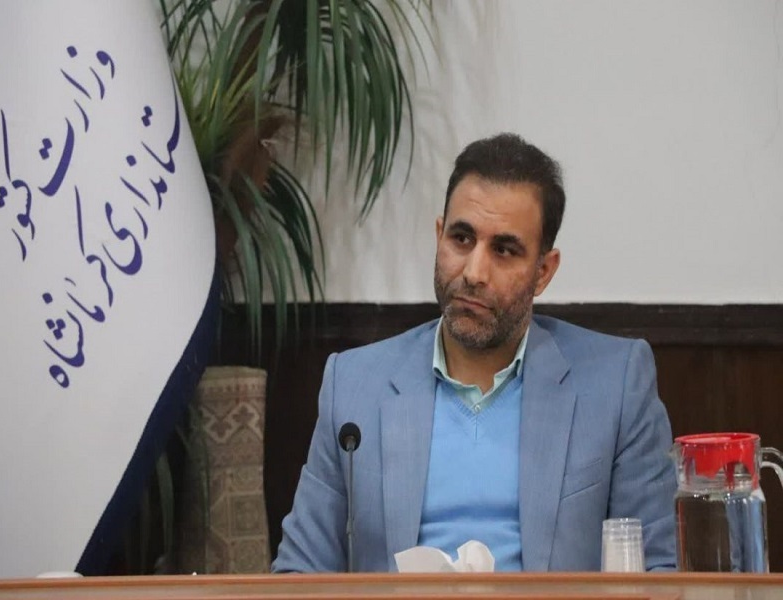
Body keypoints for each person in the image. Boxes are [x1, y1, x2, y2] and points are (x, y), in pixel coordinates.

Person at [272, 133, 677, 573]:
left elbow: (659, 570)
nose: (474, 272)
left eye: (504, 250)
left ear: (543, 272)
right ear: (439, 236)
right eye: (462, 239)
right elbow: (299, 572)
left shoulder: (615, 385)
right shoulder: (354, 385)